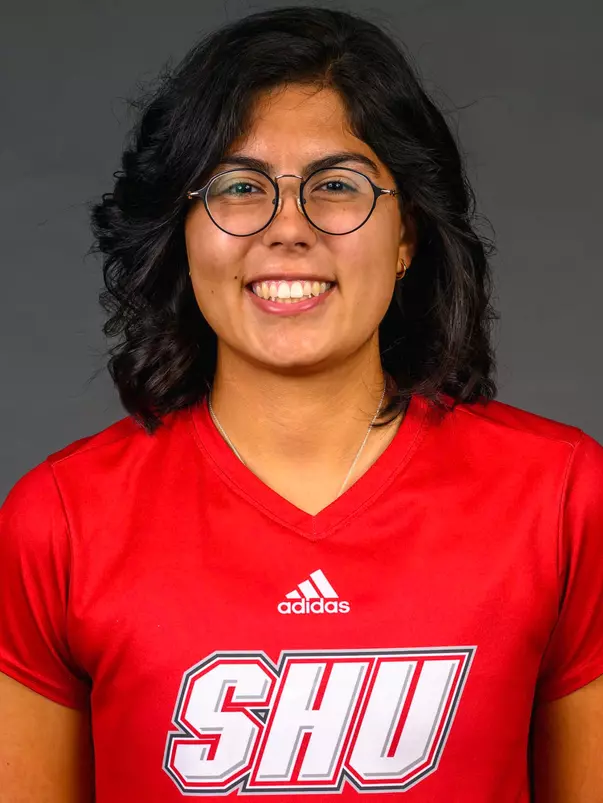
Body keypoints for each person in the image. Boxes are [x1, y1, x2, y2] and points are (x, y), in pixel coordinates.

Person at [1, 6, 602, 802]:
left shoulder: (561, 497)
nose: (288, 229)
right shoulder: (59, 522)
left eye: (337, 186)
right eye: (240, 187)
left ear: (405, 234)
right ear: (184, 230)